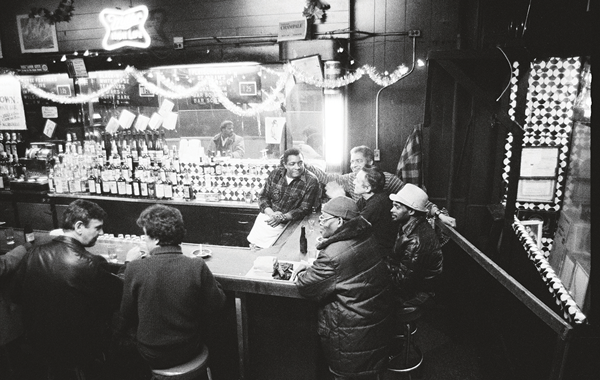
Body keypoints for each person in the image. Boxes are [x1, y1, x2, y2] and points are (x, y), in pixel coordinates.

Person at [10, 199, 125, 379]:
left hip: (39, 348)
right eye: (97, 227)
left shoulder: (34, 253)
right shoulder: (91, 264)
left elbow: (16, 296)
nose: (101, 233)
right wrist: (127, 266)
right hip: (80, 353)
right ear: (79, 226)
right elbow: (118, 298)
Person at [293, 196, 395, 380]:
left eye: (323, 218)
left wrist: (301, 272)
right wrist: (315, 267)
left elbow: (306, 286)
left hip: (351, 338)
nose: (319, 223)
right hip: (372, 325)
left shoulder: (334, 254)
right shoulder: (366, 235)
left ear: (339, 221)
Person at [116, 204, 226, 371]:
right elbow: (217, 304)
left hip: (150, 353)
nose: (144, 241)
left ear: (157, 239)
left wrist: (128, 263)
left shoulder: (134, 268)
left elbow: (126, 314)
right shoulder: (196, 266)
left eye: (145, 236)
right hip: (188, 349)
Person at [305, 145, 457, 229]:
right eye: (352, 162)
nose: (353, 166)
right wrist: (304, 165)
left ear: (370, 162)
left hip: (385, 230)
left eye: (358, 161)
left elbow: (415, 199)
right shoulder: (351, 178)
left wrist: (439, 214)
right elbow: (327, 177)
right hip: (365, 225)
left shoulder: (388, 179)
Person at [247, 148, 320, 248]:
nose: (297, 167)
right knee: (255, 251)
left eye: (300, 163)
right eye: (292, 164)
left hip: (288, 225)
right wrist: (272, 214)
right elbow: (263, 197)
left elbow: (304, 209)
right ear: (285, 164)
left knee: (277, 255)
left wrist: (282, 217)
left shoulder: (311, 181)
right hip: (266, 220)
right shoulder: (275, 174)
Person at [387, 184, 443, 305]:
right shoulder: (409, 225)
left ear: (411, 211)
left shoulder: (416, 242)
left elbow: (402, 283)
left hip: (415, 295)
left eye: (397, 207)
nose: (392, 210)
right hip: (410, 287)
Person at [353, 165, 399, 249]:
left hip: (382, 252)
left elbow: (355, 227)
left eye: (357, 181)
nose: (353, 182)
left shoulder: (377, 203)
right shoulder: (365, 199)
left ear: (367, 188)